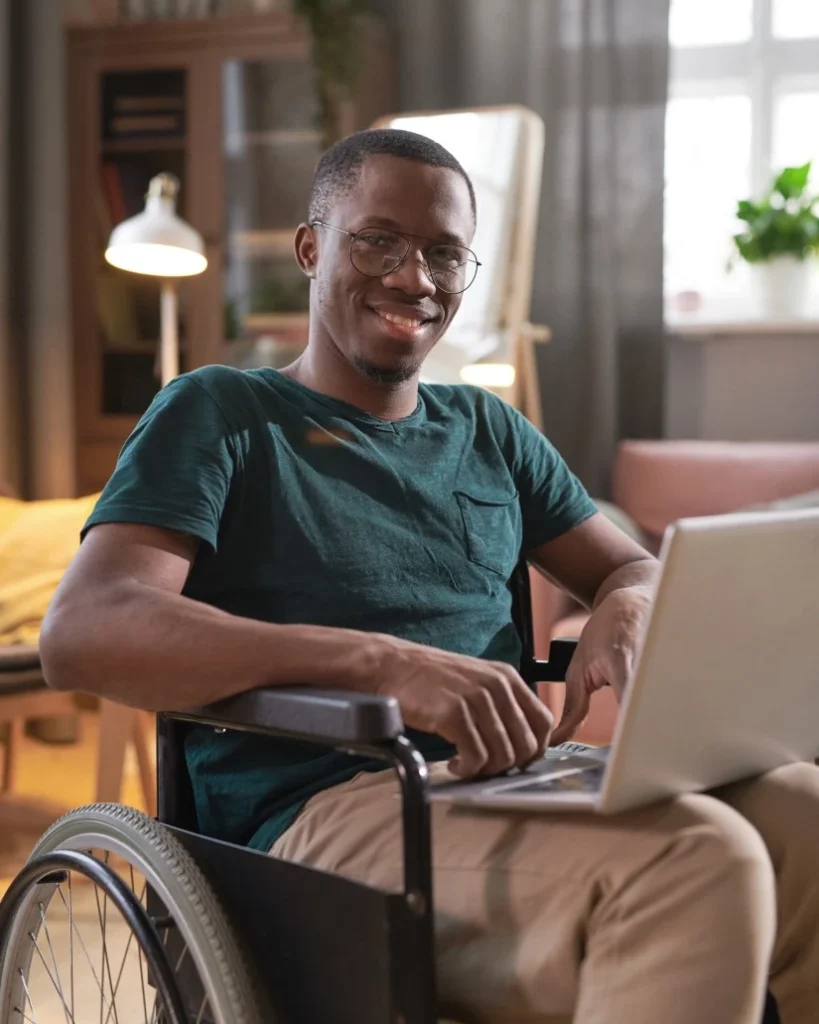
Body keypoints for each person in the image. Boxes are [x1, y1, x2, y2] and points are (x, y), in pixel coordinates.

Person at [41, 129, 819, 1024]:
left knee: (801, 810)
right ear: (310, 248)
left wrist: (627, 602)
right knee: (697, 858)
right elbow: (86, 630)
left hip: (511, 778)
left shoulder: (488, 430)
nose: (416, 277)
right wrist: (385, 664)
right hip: (322, 806)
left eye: (445, 253)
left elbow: (630, 564)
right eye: (378, 240)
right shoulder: (221, 413)